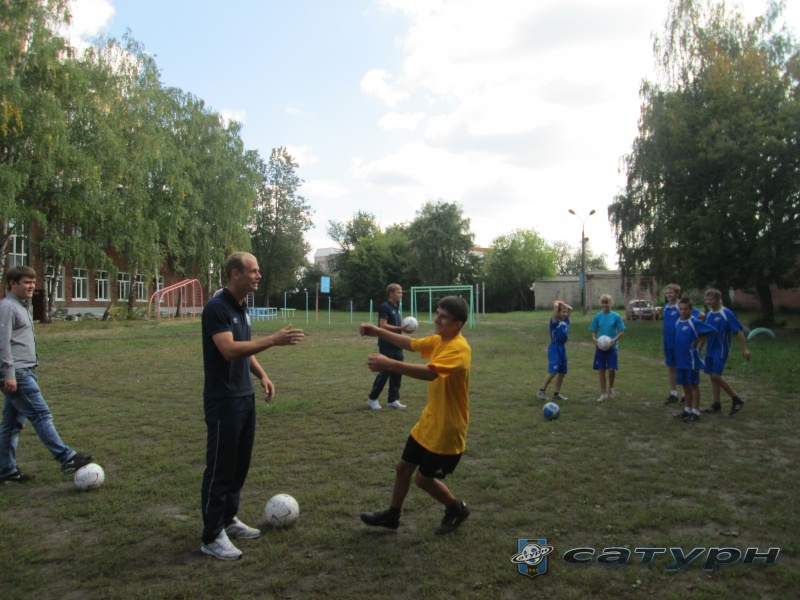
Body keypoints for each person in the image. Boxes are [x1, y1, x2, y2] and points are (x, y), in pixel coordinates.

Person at [200, 252, 304, 561]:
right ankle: (211, 536)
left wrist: (262, 375)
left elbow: (245, 350)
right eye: (253, 271)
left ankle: (227, 520)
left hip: (245, 397)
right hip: (223, 400)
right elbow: (229, 349)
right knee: (221, 468)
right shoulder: (217, 308)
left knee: (239, 465)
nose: (259, 275)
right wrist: (272, 340)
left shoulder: (242, 308)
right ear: (236, 274)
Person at [359, 296, 472, 535]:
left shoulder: (459, 349)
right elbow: (411, 344)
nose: (437, 319)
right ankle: (392, 516)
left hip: (447, 429)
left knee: (423, 479)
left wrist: (390, 363)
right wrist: (378, 331)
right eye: (437, 313)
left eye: (443, 317)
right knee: (403, 469)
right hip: (429, 421)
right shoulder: (440, 339)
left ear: (457, 324)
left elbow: (430, 373)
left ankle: (456, 508)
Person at [0, 266, 93, 484]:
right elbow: (2, 344)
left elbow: (18, 341)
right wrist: (9, 374)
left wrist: (31, 360)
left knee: (11, 426)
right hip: (18, 374)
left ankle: (6, 471)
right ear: (13, 283)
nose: (31, 286)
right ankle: (66, 458)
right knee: (41, 415)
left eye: (33, 282)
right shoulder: (7, 307)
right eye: (26, 282)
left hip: (24, 370)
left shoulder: (22, 305)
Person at [700, 289, 751, 416]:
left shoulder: (726, 313)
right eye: (707, 299)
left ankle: (736, 399)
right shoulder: (709, 315)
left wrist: (744, 348)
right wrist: (698, 349)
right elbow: (704, 334)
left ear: (718, 299)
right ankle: (716, 404)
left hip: (721, 349)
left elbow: (739, 331)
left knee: (716, 376)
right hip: (710, 348)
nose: (709, 301)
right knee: (712, 376)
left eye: (711, 299)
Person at [367, 283, 411, 410]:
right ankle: (372, 399)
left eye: (401, 292)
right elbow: (383, 325)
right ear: (391, 293)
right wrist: (400, 328)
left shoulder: (397, 308)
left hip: (397, 343)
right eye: (398, 292)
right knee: (385, 371)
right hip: (386, 343)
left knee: (398, 370)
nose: (401, 295)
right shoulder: (385, 307)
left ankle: (393, 400)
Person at [671, 298, 717, 423]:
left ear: (691, 309)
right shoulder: (678, 322)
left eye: (686, 309)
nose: (683, 311)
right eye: (681, 309)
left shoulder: (694, 322)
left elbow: (712, 330)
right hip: (680, 359)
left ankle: (696, 411)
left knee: (693, 385)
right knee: (685, 385)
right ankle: (687, 409)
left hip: (691, 360)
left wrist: (698, 340)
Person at [662, 284, 704, 405]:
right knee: (671, 367)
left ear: (677, 293)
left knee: (683, 368)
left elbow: (701, 316)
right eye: (667, 293)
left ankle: (686, 395)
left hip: (681, 344)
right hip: (668, 342)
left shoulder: (682, 306)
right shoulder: (666, 307)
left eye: (671, 292)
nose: (668, 295)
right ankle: (673, 393)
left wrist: (695, 335)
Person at [590, 294, 626, 402]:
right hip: (600, 348)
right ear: (601, 304)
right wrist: (594, 339)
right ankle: (603, 393)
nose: (605, 305)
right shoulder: (597, 317)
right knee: (601, 369)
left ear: (611, 303)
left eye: (607, 303)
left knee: (611, 369)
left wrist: (614, 340)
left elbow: (621, 331)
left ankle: (611, 387)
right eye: (603, 303)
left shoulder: (616, 316)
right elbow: (593, 331)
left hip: (612, 347)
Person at [537, 300, 573, 402]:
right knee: (553, 371)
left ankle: (556, 394)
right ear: (557, 313)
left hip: (562, 349)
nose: (565, 314)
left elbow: (570, 309)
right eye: (563, 312)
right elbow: (555, 308)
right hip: (555, 348)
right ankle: (541, 391)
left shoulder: (565, 322)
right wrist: (556, 305)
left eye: (566, 312)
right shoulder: (555, 322)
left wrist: (563, 304)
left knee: (562, 372)